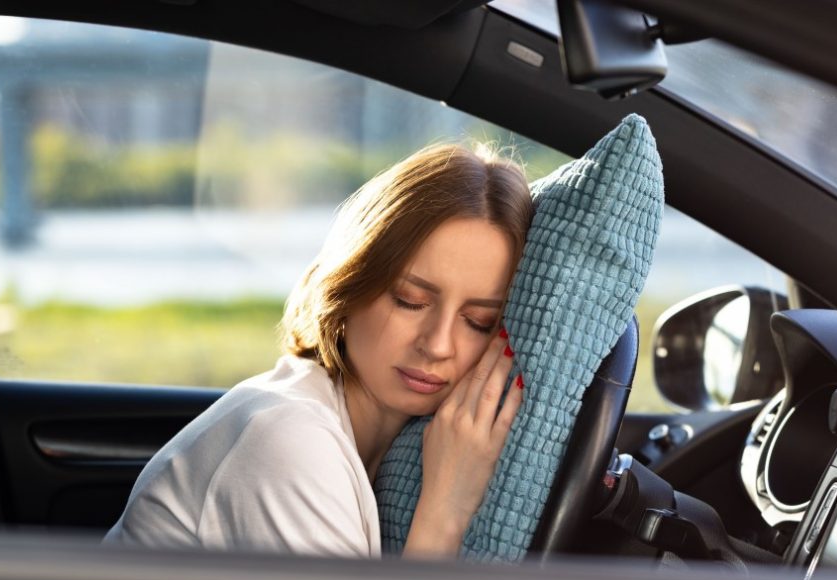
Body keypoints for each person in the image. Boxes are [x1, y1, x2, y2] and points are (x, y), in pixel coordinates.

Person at [104, 142, 534, 558]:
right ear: (351, 283)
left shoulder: (360, 444)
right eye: (408, 300)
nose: (438, 344)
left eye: (478, 322)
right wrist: (445, 512)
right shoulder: (289, 439)